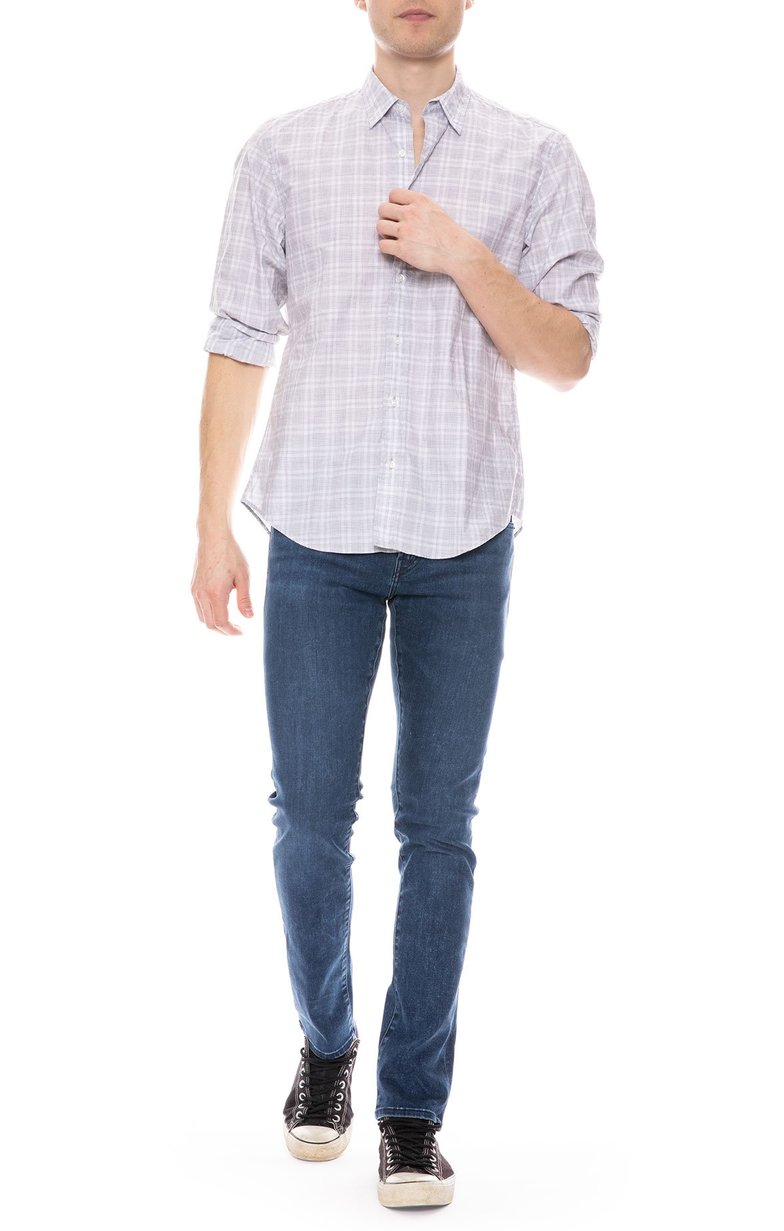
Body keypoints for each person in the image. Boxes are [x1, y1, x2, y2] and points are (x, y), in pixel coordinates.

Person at [190, 0, 603, 1209]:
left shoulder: (536, 155)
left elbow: (569, 355)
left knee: (439, 826)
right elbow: (235, 336)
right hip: (312, 532)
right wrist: (210, 524)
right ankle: (327, 1046)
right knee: (308, 818)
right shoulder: (282, 150)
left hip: (463, 537)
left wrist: (462, 252)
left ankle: (412, 1109)